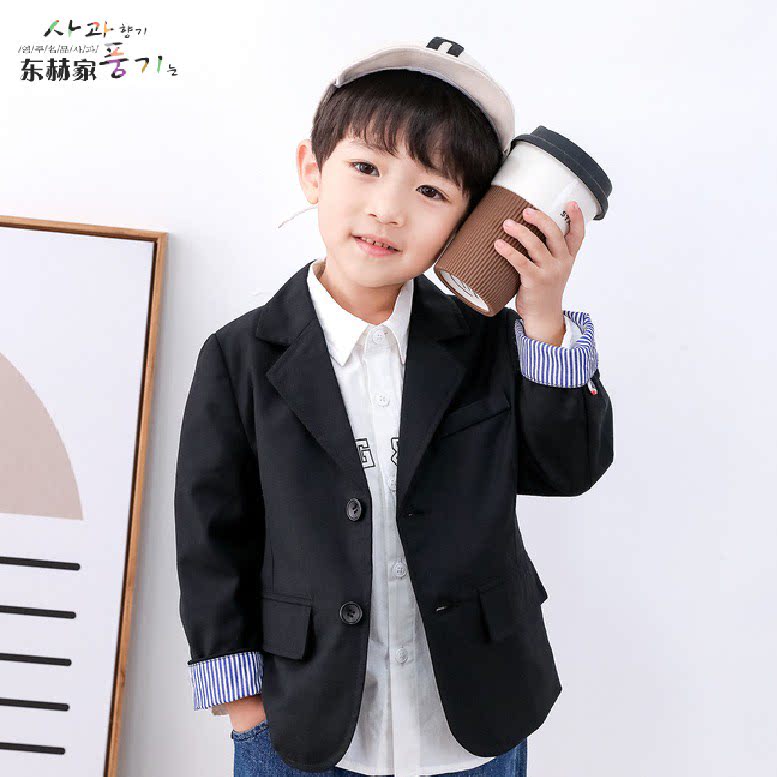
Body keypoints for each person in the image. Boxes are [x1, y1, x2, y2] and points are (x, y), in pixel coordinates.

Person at [174, 35, 614, 777]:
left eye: (431, 191)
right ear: (312, 170)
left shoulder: (488, 345)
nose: (387, 209)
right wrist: (243, 705)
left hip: (473, 717)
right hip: (304, 721)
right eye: (366, 168)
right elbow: (212, 533)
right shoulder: (239, 356)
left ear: (468, 219)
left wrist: (542, 317)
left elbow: (566, 468)